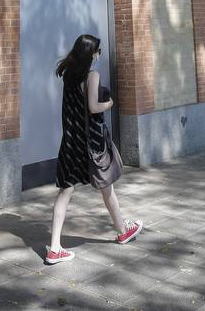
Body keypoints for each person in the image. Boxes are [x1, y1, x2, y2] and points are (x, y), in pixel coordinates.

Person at [45, 34, 142, 264]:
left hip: (71, 142)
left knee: (65, 192)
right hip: (91, 144)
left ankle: (55, 247)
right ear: (91, 54)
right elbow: (93, 107)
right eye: (98, 51)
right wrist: (109, 103)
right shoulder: (92, 76)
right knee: (106, 187)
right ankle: (122, 231)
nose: (100, 55)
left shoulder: (68, 75)